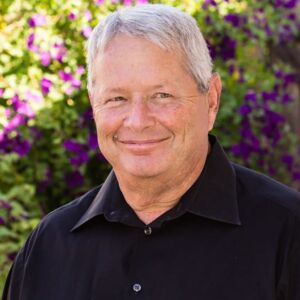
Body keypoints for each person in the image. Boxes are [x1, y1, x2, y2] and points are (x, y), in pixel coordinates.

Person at [3, 4, 300, 300]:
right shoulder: (47, 248)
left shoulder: (288, 234)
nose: (138, 120)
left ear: (211, 100)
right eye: (117, 98)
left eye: (162, 95)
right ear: (94, 104)